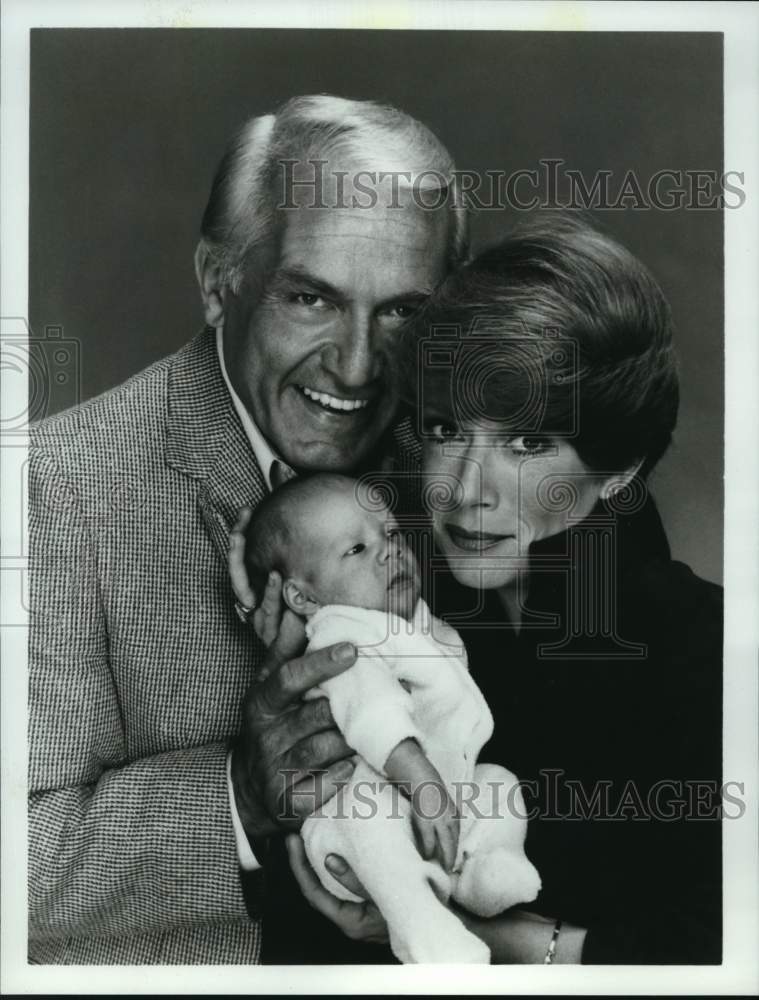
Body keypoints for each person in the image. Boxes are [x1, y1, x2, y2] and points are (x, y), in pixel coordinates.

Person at [28, 94, 466, 964]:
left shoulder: (457, 455)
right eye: (310, 298)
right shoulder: (52, 491)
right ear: (217, 280)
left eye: (400, 312)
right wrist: (238, 794)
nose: (355, 365)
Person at [244, 216, 722, 964]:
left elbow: (723, 946)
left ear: (619, 467)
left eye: (528, 443)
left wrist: (494, 939)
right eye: (445, 430)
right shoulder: (380, 592)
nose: (467, 492)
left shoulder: (700, 648)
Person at [243, 472, 540, 963]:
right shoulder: (341, 634)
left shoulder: (407, 620)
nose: (389, 551)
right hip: (358, 811)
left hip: (439, 789)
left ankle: (487, 867)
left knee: (499, 783)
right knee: (376, 824)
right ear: (304, 599)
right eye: (356, 549)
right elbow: (372, 712)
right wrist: (421, 781)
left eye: (393, 534)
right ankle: (424, 933)